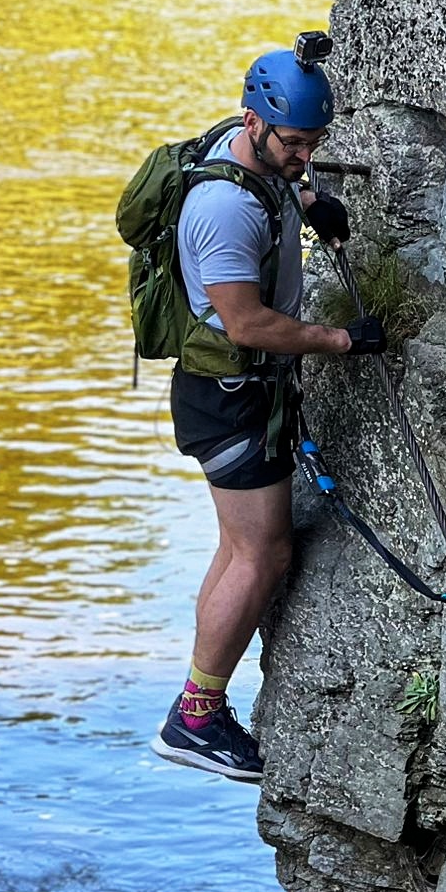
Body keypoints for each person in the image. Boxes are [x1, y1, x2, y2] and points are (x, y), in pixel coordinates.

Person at [151, 45, 385, 783]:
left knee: (236, 549)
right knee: (263, 554)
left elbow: (279, 187)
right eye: (295, 145)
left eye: (316, 143)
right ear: (255, 121)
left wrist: (311, 201)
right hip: (231, 395)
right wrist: (340, 340)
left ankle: (200, 694)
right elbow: (247, 323)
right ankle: (196, 716)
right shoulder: (220, 208)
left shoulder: (253, 151)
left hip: (234, 394)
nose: (306, 155)